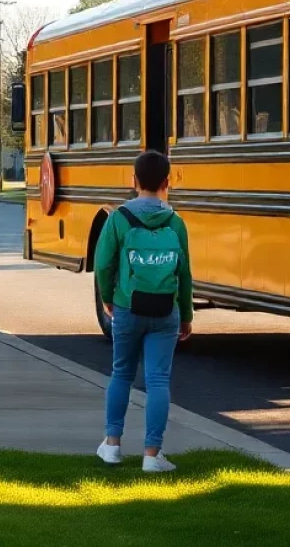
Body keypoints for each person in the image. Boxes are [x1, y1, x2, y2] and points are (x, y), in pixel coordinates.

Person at [93, 149, 193, 472]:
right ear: (167, 182)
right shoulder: (175, 222)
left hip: (126, 307)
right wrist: (187, 314)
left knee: (121, 373)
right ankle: (152, 455)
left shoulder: (118, 219)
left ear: (133, 181)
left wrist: (108, 299)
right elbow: (185, 273)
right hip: (166, 311)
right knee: (158, 380)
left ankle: (112, 446)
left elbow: (102, 265)